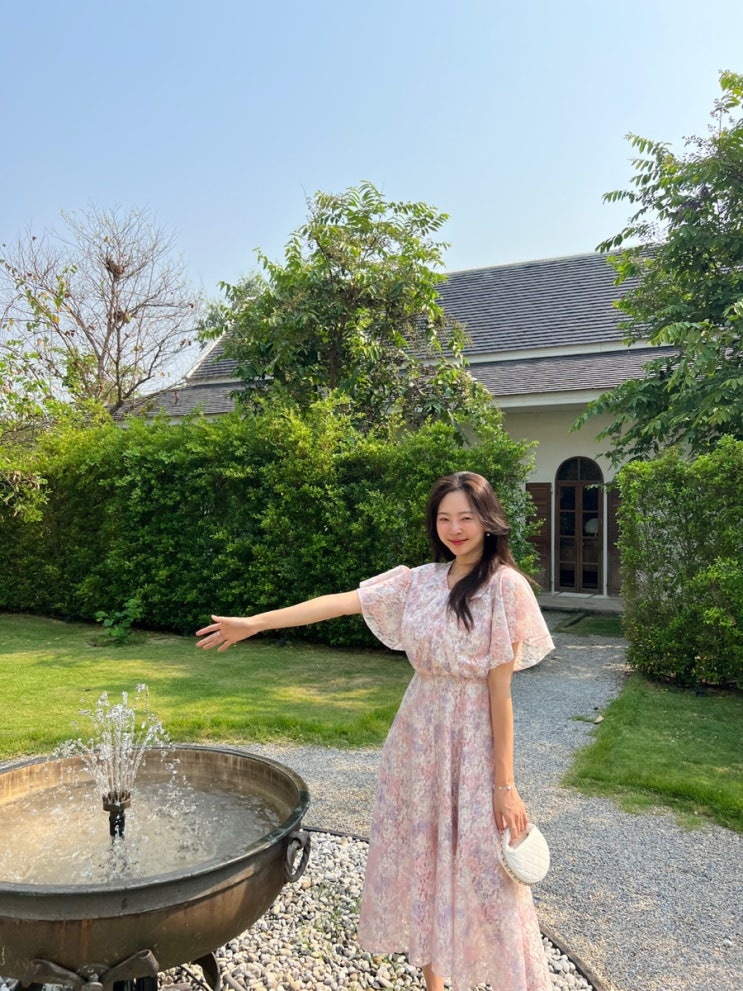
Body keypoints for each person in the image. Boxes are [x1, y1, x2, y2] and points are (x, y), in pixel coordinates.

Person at [196, 471, 555, 991]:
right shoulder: (419, 581)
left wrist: (506, 785)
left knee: (488, 872)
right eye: (444, 518)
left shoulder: (505, 588)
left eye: (466, 517)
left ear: (488, 520)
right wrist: (255, 623)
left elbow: (501, 696)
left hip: (473, 745)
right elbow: (340, 602)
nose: (455, 529)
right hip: (416, 741)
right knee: (423, 859)